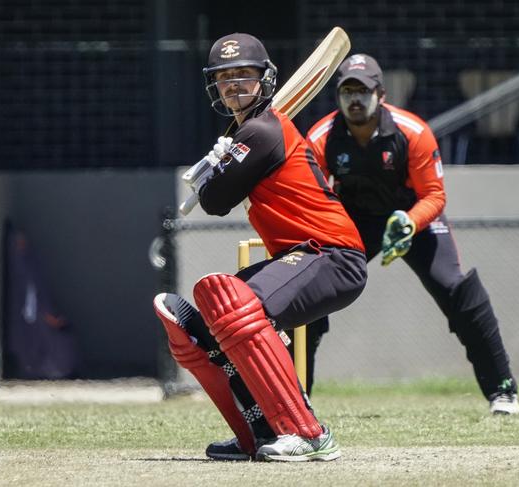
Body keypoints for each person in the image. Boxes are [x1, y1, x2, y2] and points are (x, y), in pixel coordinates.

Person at [153, 33, 368, 462]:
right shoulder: (253, 131)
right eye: (225, 77)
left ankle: (309, 435)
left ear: (264, 79)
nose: (234, 84)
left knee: (236, 304)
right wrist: (221, 162)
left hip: (331, 254)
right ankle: (261, 430)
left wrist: (217, 168)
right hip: (302, 255)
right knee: (215, 309)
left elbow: (215, 202)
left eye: (244, 76)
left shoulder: (265, 129)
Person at [304, 53, 519, 415]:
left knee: (457, 290)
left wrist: (409, 222)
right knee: (308, 295)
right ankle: (297, 398)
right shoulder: (322, 137)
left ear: (381, 94)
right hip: (352, 220)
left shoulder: (413, 132)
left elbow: (434, 194)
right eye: (347, 92)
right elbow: (313, 195)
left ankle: (503, 390)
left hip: (411, 217)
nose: (355, 100)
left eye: (363, 91)